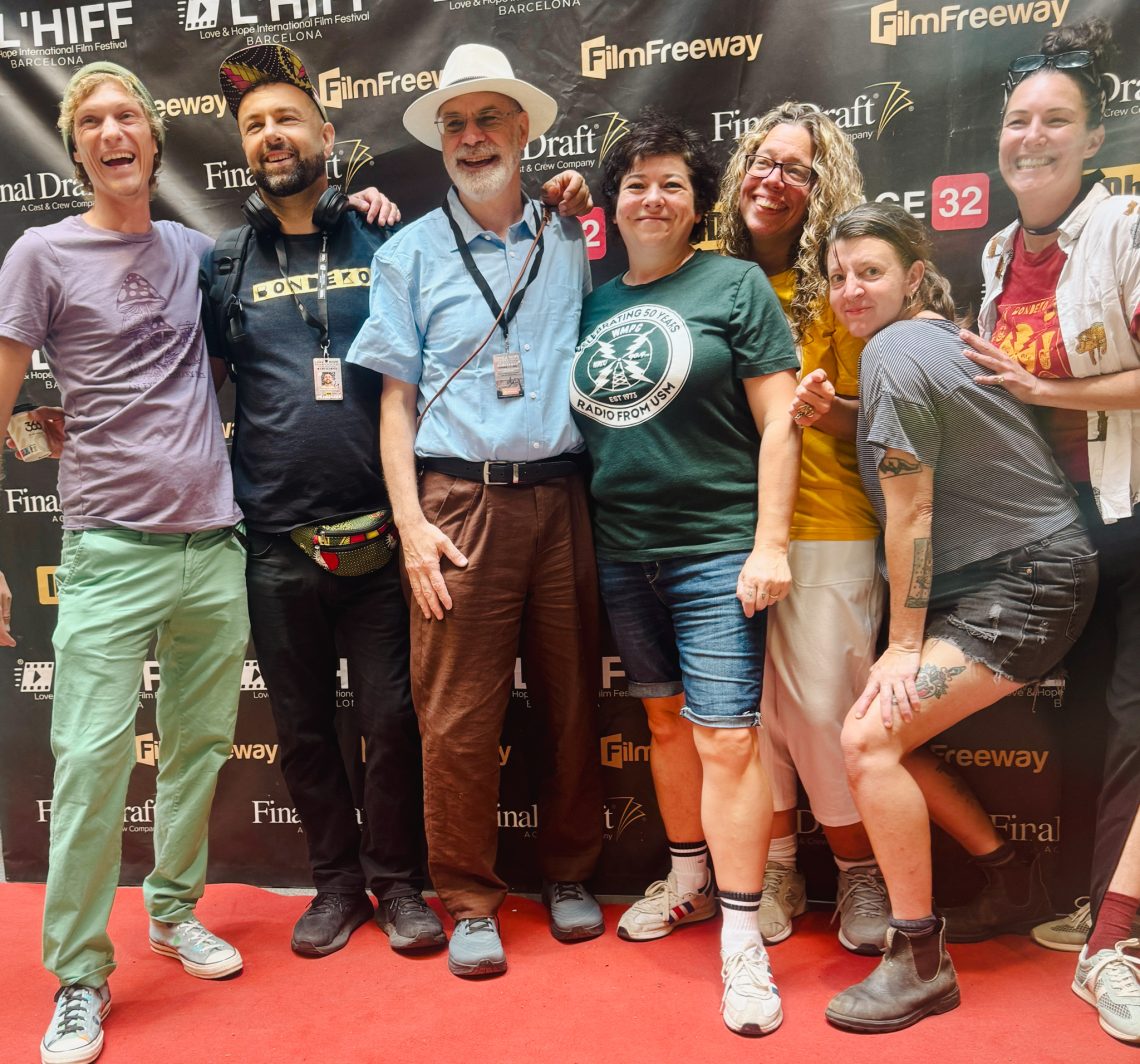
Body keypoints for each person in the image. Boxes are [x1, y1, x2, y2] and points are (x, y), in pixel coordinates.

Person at [0, 63, 249, 1064]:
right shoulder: (39, 253)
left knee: (198, 745)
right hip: (107, 550)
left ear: (154, 136)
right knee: (95, 760)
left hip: (214, 544)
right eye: (91, 119)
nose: (113, 131)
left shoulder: (195, 250)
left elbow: (279, 299)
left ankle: (175, 908)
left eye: (127, 115)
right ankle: (78, 975)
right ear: (76, 145)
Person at [346, 43, 604, 979]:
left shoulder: (571, 235)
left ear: (523, 130)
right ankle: (467, 897)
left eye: (488, 118)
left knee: (573, 702)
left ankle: (571, 874)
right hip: (458, 502)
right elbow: (395, 405)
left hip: (563, 499)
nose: (470, 137)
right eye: (455, 124)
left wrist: (580, 201)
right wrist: (411, 524)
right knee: (456, 718)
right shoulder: (409, 252)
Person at [818, 202, 1096, 1033]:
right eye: (837, 277)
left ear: (912, 274)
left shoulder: (896, 351)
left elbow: (912, 511)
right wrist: (832, 413)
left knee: (869, 739)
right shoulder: (921, 341)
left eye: (869, 272)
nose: (850, 290)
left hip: (1025, 579)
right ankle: (1013, 881)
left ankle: (919, 961)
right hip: (1007, 574)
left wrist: (903, 646)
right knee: (896, 738)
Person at [202, 43, 445, 959]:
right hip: (274, 540)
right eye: (255, 125)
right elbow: (201, 389)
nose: (272, 136)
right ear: (244, 148)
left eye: (287, 119)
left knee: (391, 718)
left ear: (327, 135)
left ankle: (400, 884)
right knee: (303, 728)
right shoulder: (223, 263)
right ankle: (336, 886)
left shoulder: (386, 237)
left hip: (385, 528)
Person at [571, 112, 801, 1034]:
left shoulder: (735, 283)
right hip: (620, 551)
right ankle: (690, 881)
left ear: (698, 202)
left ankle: (742, 944)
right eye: (635, 183)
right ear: (611, 206)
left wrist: (770, 543)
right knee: (664, 719)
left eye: (671, 182)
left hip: (717, 548)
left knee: (728, 739)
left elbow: (781, 420)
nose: (652, 196)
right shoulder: (586, 301)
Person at [960, 17, 1140, 1044]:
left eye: (1054, 121)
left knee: (1131, 722)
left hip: (1132, 509)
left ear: (1091, 136)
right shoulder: (994, 252)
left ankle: (1116, 937)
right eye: (1018, 120)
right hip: (1057, 532)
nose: (1032, 136)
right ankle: (1086, 898)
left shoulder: (1123, 227)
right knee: (1076, 725)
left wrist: (1040, 383)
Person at [716, 101, 889, 953]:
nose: (773, 181)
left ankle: (862, 874)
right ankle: (778, 865)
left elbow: (889, 419)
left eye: (797, 170)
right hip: (720, 534)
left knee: (823, 714)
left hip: (828, 526)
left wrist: (829, 413)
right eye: (763, 160)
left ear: (823, 191)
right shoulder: (708, 274)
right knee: (754, 722)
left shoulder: (843, 282)